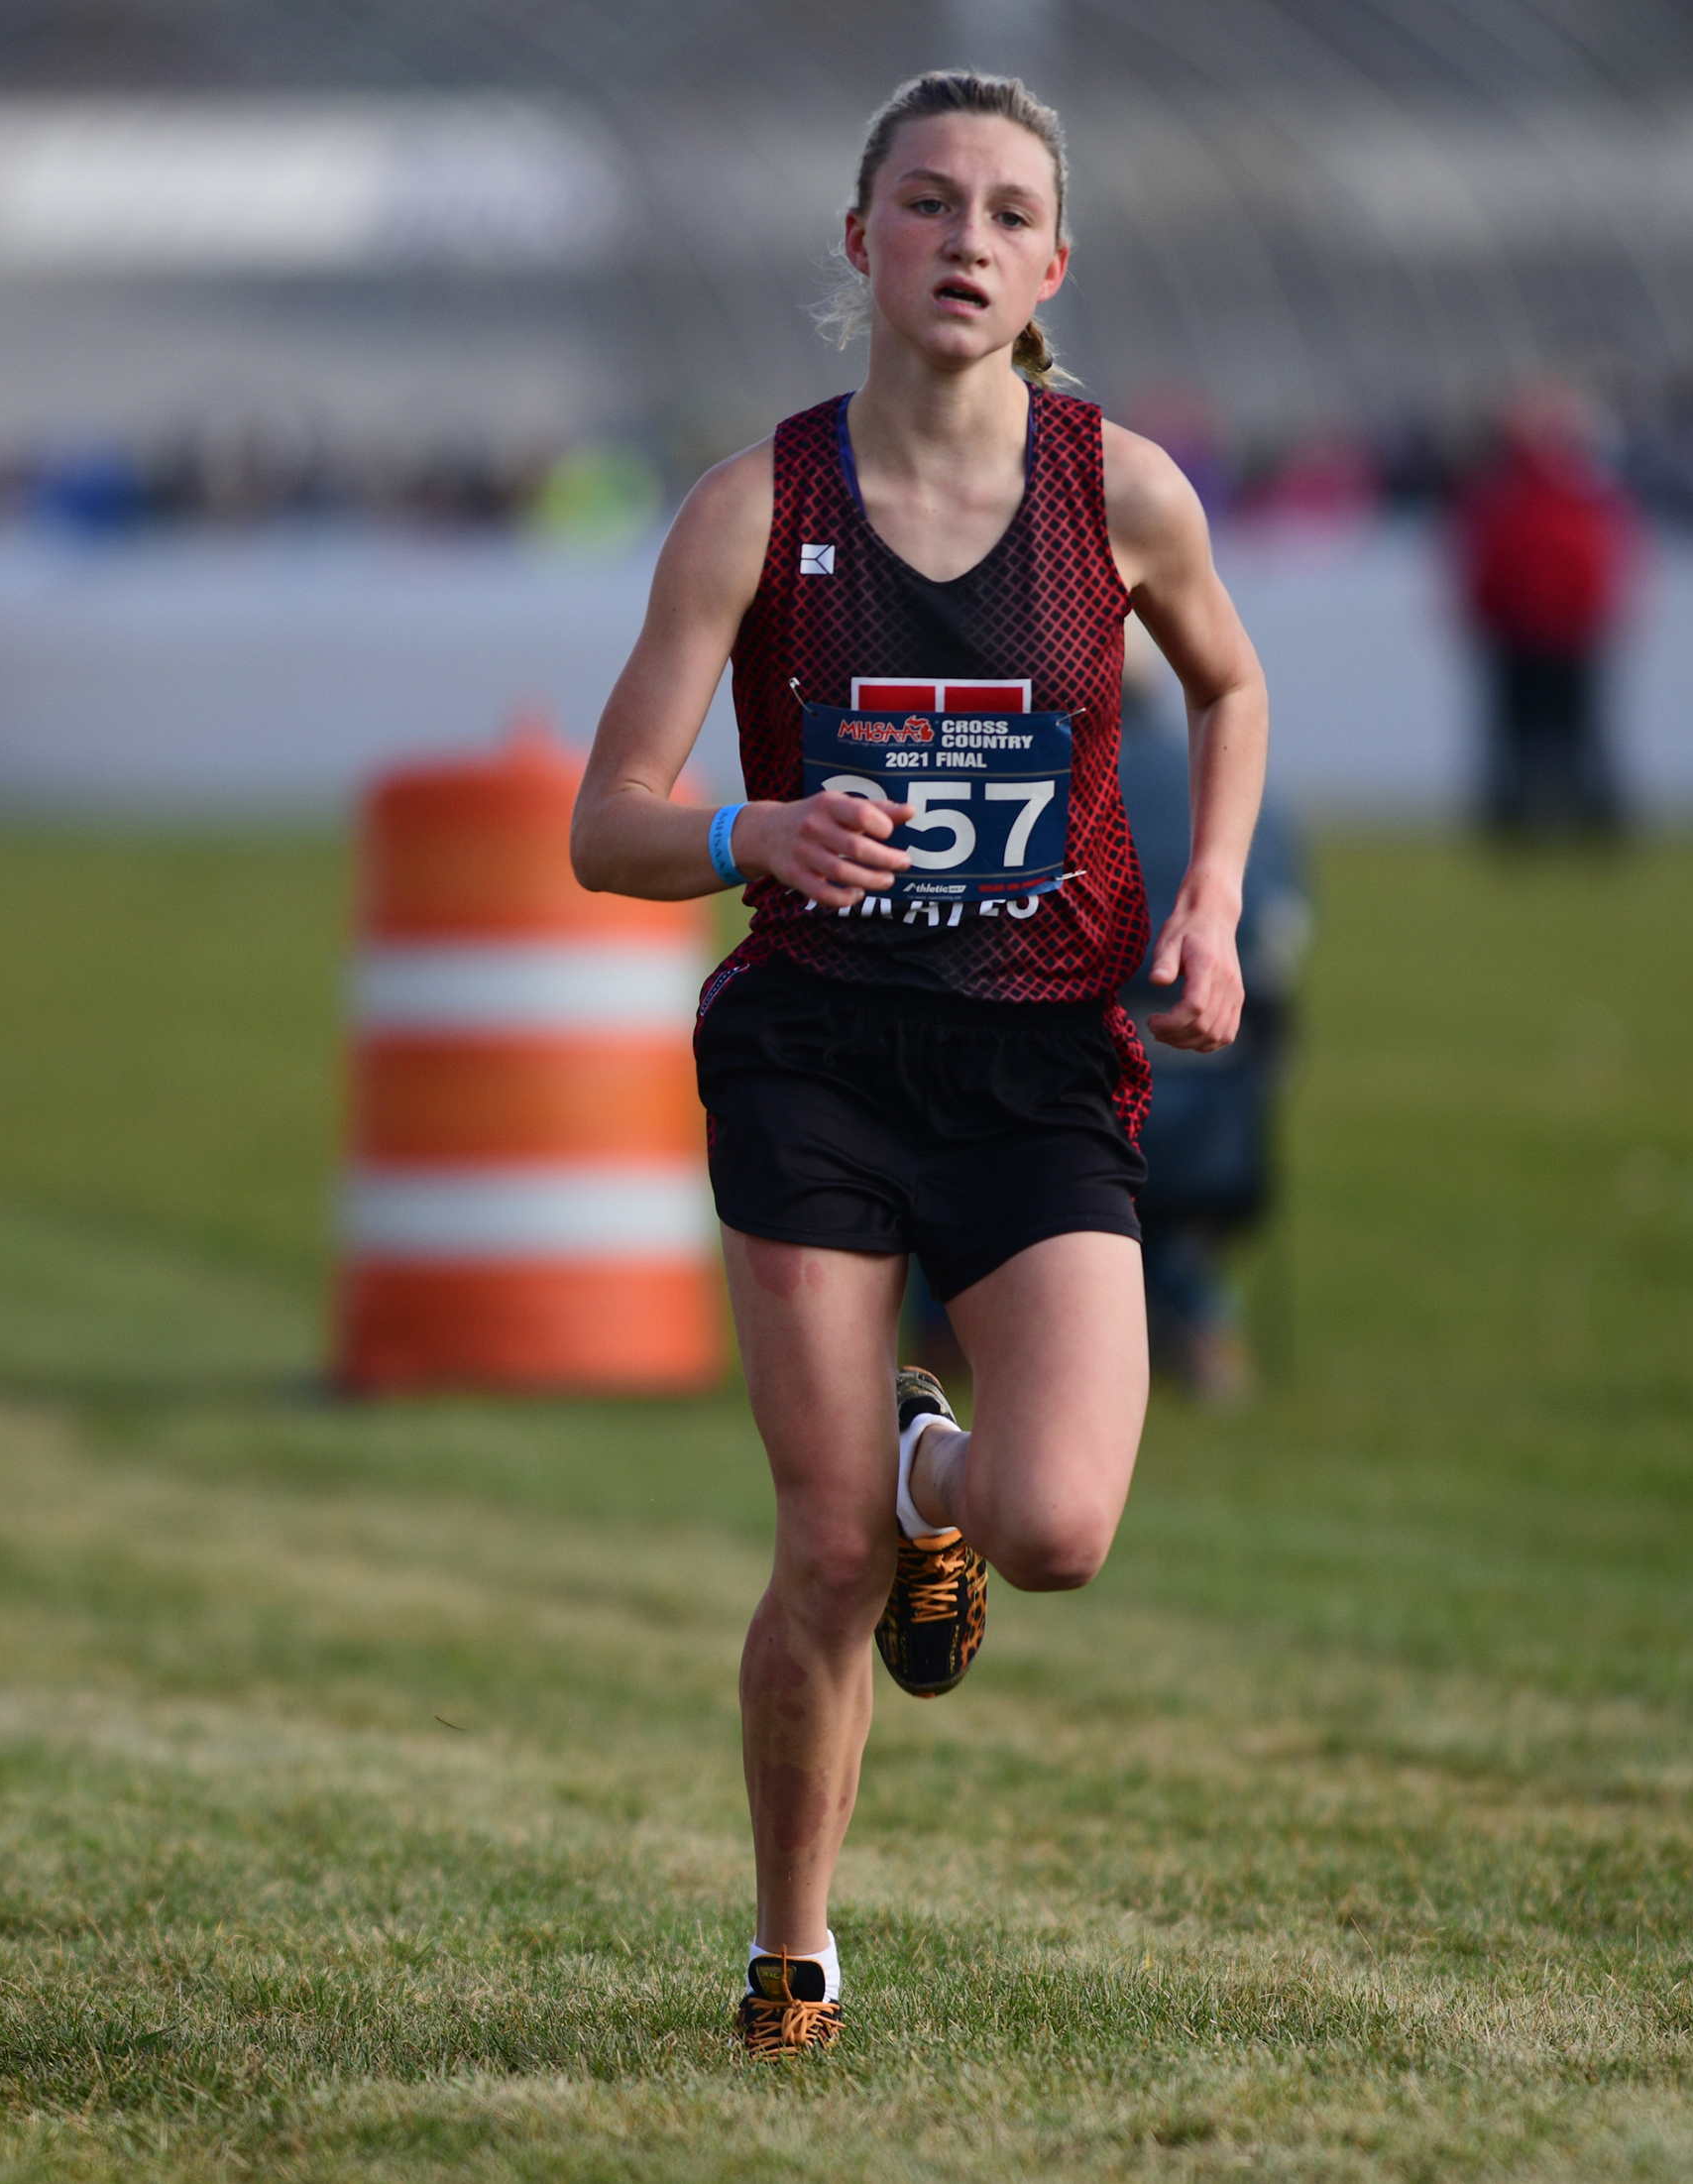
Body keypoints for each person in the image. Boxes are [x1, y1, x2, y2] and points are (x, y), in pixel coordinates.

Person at [569, 69, 1269, 2056]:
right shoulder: (752, 507)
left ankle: (927, 1466)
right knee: (819, 1553)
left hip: (1042, 1060)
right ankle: (795, 1948)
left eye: (1003, 211)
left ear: (1051, 264)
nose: (962, 238)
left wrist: (1207, 898)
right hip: (814, 1056)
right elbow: (602, 821)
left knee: (1054, 1527)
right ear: (857, 241)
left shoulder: (1115, 492)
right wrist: (749, 833)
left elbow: (1228, 683)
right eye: (925, 202)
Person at [1117, 684, 1312, 1401]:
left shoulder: (1053, 773)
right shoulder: (1231, 780)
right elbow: (1282, 928)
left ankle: (944, 1326)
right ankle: (1197, 1315)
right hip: (1219, 1067)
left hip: (1081, 1063)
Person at [1452, 388, 1635, 841]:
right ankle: (1592, 823)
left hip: (1528, 633)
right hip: (1562, 632)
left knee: (1524, 736)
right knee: (1576, 734)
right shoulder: (1583, 488)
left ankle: (1520, 823)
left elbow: (1481, 562)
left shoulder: (1498, 494)